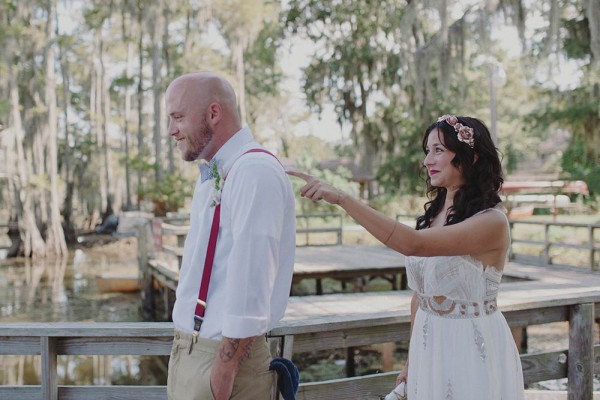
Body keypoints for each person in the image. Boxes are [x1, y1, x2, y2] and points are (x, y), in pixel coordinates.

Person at [288, 115, 525, 400]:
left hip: (471, 347)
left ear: (470, 157)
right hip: (429, 344)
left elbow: (411, 244)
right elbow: (421, 297)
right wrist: (413, 358)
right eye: (427, 151)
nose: (428, 161)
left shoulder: (491, 222)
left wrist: (342, 198)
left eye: (439, 150)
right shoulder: (433, 217)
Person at [165, 71, 296, 400]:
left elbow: (253, 284)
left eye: (178, 117)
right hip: (191, 352)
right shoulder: (217, 170)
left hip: (224, 368)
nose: (171, 130)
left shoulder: (254, 173)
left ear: (213, 113)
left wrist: (221, 376)